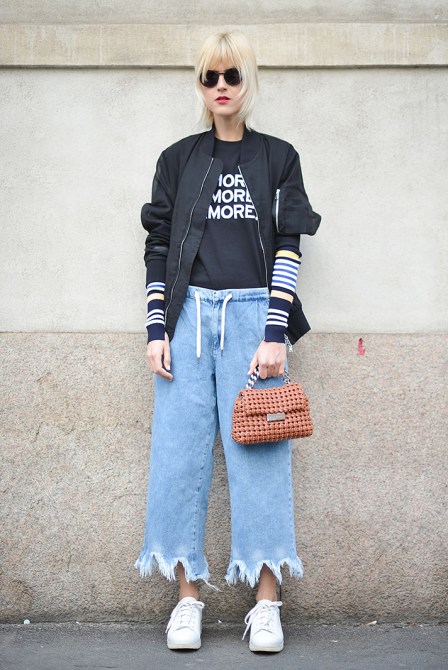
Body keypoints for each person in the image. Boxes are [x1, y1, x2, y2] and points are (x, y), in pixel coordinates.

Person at [134, 29, 321, 653]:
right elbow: (159, 247)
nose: (220, 87)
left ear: (248, 81)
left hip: (253, 317)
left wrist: (275, 331)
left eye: (231, 75)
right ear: (199, 85)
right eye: (209, 77)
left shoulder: (278, 158)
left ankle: (266, 604)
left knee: (260, 456)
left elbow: (289, 245)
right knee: (179, 457)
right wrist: (157, 327)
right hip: (187, 320)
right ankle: (187, 598)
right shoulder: (177, 160)